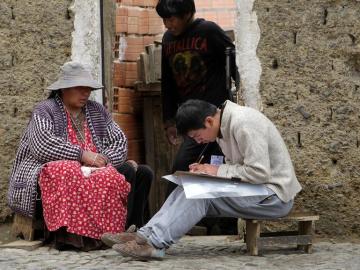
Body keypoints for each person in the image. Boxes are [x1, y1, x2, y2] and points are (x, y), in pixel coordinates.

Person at [105, 99, 302, 260]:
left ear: (208, 121)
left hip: (274, 197)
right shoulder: (224, 126)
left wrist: (216, 170)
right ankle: (145, 234)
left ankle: (153, 244)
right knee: (188, 187)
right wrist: (205, 172)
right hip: (255, 191)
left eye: (197, 136)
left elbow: (259, 173)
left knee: (201, 195)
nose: (198, 142)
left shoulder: (244, 123)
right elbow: (237, 171)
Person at [8, 62, 152, 250]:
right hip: (54, 174)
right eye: (80, 88)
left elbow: (119, 141)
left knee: (142, 172)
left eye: (88, 89)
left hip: (96, 170)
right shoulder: (45, 110)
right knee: (71, 169)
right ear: (64, 89)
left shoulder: (97, 111)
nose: (85, 93)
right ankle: (88, 235)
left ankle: (129, 231)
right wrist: (82, 155)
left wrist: (104, 160)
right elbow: (41, 146)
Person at [156, 0, 239, 196]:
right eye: (164, 19)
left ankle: (223, 225)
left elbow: (235, 63)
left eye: (171, 19)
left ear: (186, 14)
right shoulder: (168, 40)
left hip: (217, 118)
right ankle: (172, 221)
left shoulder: (208, 31)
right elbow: (167, 83)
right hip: (192, 120)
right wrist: (169, 121)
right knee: (183, 168)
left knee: (220, 169)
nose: (167, 24)